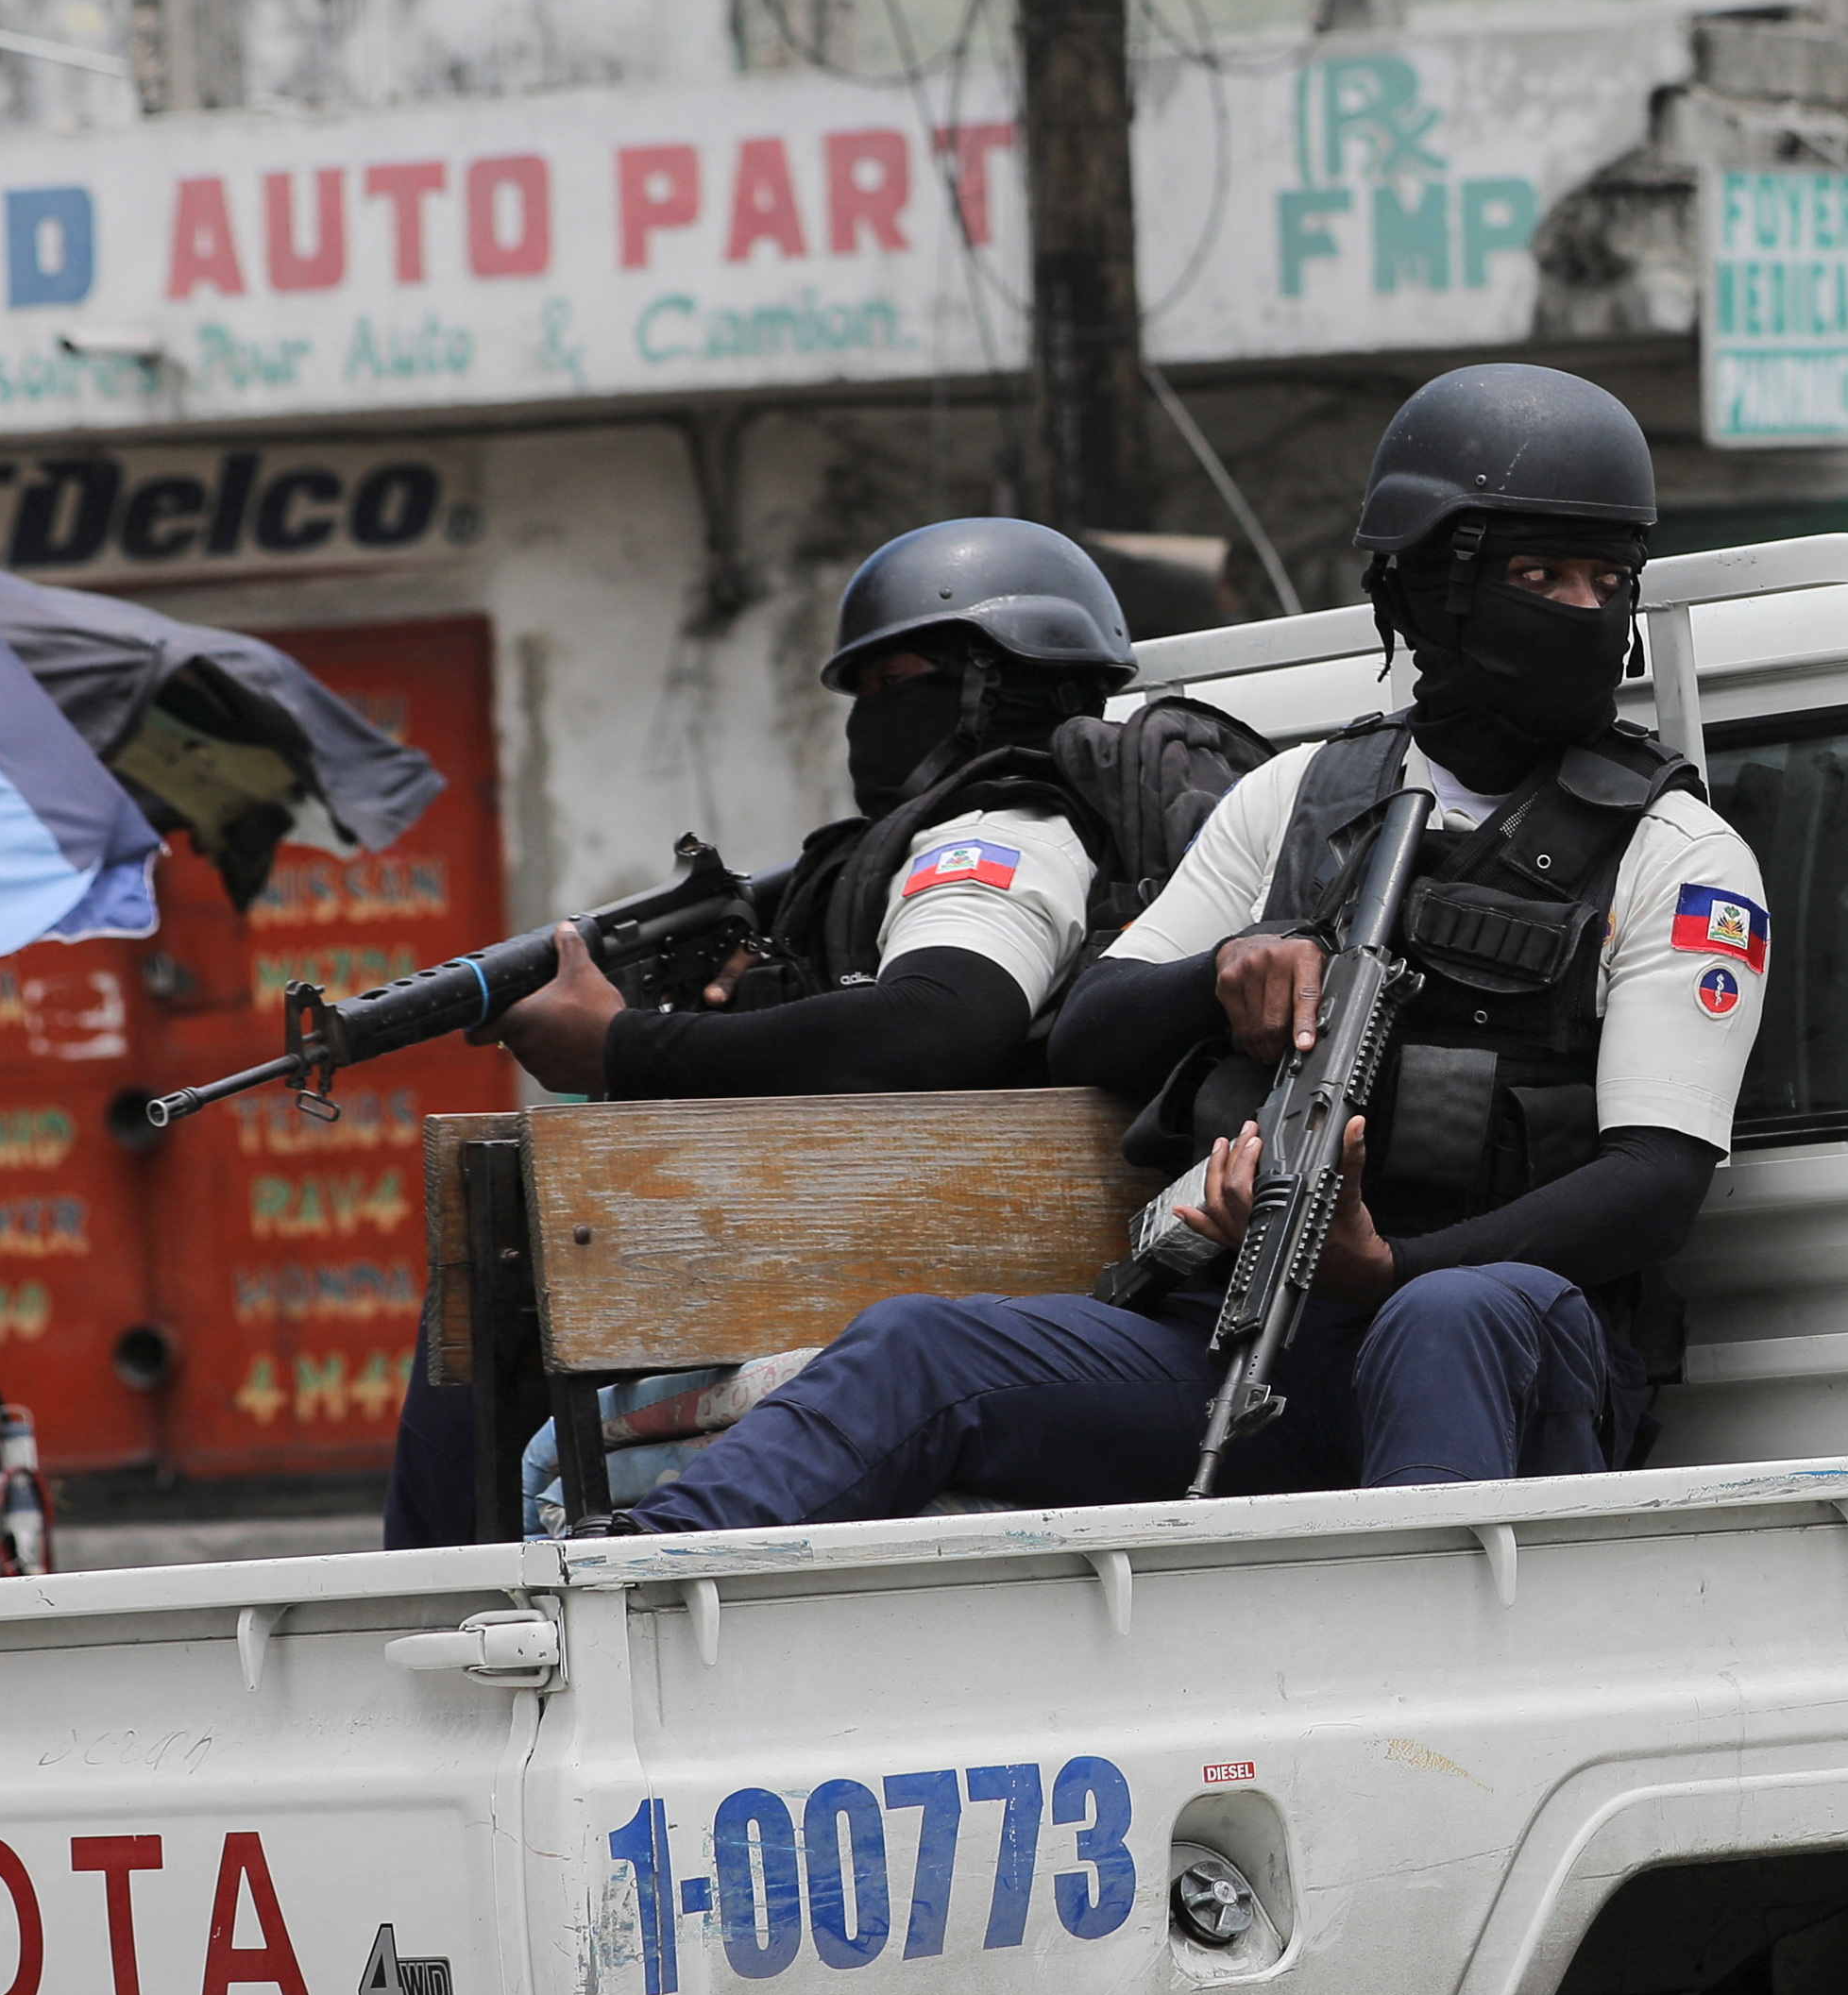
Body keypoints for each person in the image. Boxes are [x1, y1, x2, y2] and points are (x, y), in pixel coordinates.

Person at [624, 363, 1762, 1528]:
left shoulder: (1679, 851)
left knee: (1452, 1314)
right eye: (1539, 574)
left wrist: (1388, 1268)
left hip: (1506, 1364)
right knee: (917, 1347)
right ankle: (627, 1592)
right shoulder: (1300, 796)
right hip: (1248, 1338)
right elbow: (1093, 1026)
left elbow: (1653, 1185)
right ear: (1429, 586)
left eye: (1605, 580)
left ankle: (1420, 1691)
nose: (1581, 608)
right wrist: (1232, 975)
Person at [374, 519, 1153, 1544]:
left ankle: (439, 1593)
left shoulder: (1003, 829)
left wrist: (621, 1048)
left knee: (517, 1267)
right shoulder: (915, 847)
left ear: (997, 682)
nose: (866, 721)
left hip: (947, 1280)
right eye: (858, 693)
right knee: (504, 1264)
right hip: (872, 1252)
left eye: (896, 685)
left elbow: (941, 1021)